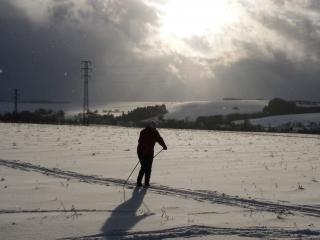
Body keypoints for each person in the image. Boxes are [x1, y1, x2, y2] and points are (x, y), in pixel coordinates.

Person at [137, 121, 167, 187]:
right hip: (141, 151)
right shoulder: (143, 132)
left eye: (155, 126)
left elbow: (159, 139)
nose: (154, 128)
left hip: (150, 152)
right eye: (153, 126)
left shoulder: (155, 132)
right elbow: (140, 141)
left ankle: (146, 183)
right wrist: (145, 149)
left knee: (149, 167)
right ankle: (139, 182)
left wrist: (164, 145)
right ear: (150, 126)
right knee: (144, 167)